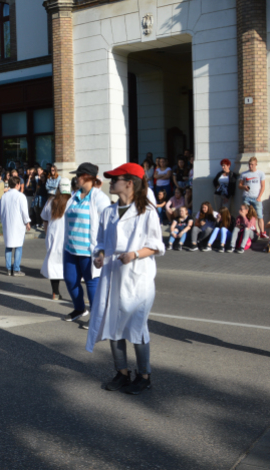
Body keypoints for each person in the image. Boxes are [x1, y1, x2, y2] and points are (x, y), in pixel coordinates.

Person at [88, 162, 164, 395]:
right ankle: (122, 373)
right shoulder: (108, 212)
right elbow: (100, 243)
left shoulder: (147, 212)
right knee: (113, 325)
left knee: (136, 327)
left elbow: (156, 246)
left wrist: (134, 254)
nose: (111, 182)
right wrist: (99, 256)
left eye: (115, 179)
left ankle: (144, 376)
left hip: (137, 280)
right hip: (112, 276)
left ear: (129, 183)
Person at [61, 163, 111, 324]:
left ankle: (97, 317)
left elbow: (108, 222)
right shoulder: (75, 196)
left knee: (91, 284)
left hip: (89, 251)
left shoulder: (99, 197)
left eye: (78, 175)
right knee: (70, 280)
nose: (76, 178)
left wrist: (103, 250)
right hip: (71, 248)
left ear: (87, 177)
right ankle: (79, 308)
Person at [40, 178, 70, 300]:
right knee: (69, 263)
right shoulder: (72, 201)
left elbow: (44, 219)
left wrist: (47, 234)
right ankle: (74, 293)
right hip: (67, 236)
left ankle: (55, 292)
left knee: (53, 263)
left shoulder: (51, 201)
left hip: (53, 235)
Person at [0, 175, 31, 276]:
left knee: (8, 246)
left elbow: (1, 212)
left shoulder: (4, 196)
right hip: (18, 224)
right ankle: (16, 269)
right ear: (18, 185)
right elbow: (24, 212)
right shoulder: (21, 196)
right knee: (18, 246)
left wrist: (2, 221)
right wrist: (27, 222)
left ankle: (9, 268)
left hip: (7, 223)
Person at [239, 156, 267, 237]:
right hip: (246, 197)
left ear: (256, 164)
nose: (250, 166)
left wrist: (259, 197)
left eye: (252, 164)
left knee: (259, 215)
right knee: (246, 214)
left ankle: (262, 232)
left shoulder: (260, 173)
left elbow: (263, 186)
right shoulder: (244, 174)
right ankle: (250, 229)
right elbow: (239, 185)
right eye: (249, 164)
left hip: (256, 197)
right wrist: (244, 187)